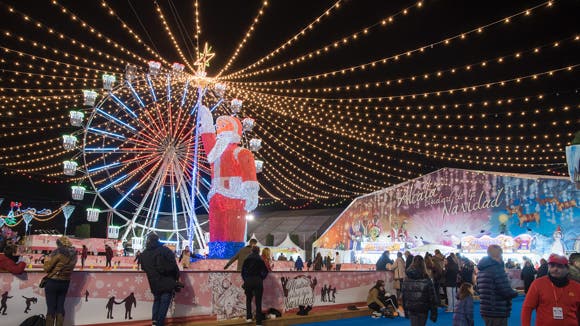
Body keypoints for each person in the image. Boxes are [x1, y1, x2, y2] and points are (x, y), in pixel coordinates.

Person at [198, 105, 259, 255]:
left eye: (222, 129)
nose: (219, 133)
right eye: (218, 129)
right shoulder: (215, 154)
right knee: (216, 226)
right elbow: (208, 141)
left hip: (234, 194)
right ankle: (217, 254)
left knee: (233, 227)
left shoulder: (242, 153)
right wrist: (206, 120)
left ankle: (231, 254)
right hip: (216, 194)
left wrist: (251, 194)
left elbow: (250, 176)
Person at [521, 254, 580, 326]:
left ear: (567, 269)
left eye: (559, 266)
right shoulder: (538, 284)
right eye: (552, 266)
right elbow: (527, 308)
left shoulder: (576, 287)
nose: (555, 269)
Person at [140, 233, 180, 326]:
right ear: (158, 240)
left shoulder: (144, 253)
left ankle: (155, 322)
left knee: (157, 301)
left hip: (153, 283)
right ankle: (159, 324)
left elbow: (144, 267)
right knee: (164, 303)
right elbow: (173, 266)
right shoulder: (165, 250)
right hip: (167, 281)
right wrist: (176, 278)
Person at [476, 244, 518, 326]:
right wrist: (515, 293)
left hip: (486, 309)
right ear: (499, 255)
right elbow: (505, 291)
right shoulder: (497, 269)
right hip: (497, 310)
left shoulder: (481, 270)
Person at [43, 236, 77, 326]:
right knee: (60, 307)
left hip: (53, 282)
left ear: (59, 244)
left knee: (51, 308)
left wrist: (46, 261)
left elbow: (47, 269)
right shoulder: (74, 254)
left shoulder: (58, 253)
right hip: (65, 283)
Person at [401, 255, 438, 326]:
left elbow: (404, 297)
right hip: (423, 309)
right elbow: (432, 297)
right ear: (423, 264)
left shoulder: (406, 279)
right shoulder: (427, 279)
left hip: (412, 308)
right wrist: (434, 313)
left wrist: (405, 311)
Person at [242, 246, 268, 326]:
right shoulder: (260, 260)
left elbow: (243, 272)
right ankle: (258, 322)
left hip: (249, 280)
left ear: (251, 251)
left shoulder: (247, 259)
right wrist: (261, 278)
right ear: (258, 251)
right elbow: (265, 271)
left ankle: (249, 318)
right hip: (258, 281)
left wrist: (246, 279)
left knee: (248, 299)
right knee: (258, 301)